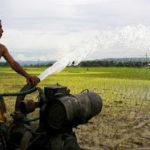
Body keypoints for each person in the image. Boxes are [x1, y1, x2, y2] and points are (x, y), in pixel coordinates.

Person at [0, 20, 40, 85]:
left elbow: (13, 63)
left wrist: (28, 77)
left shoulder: (2, 48)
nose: (2, 30)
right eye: (0, 27)